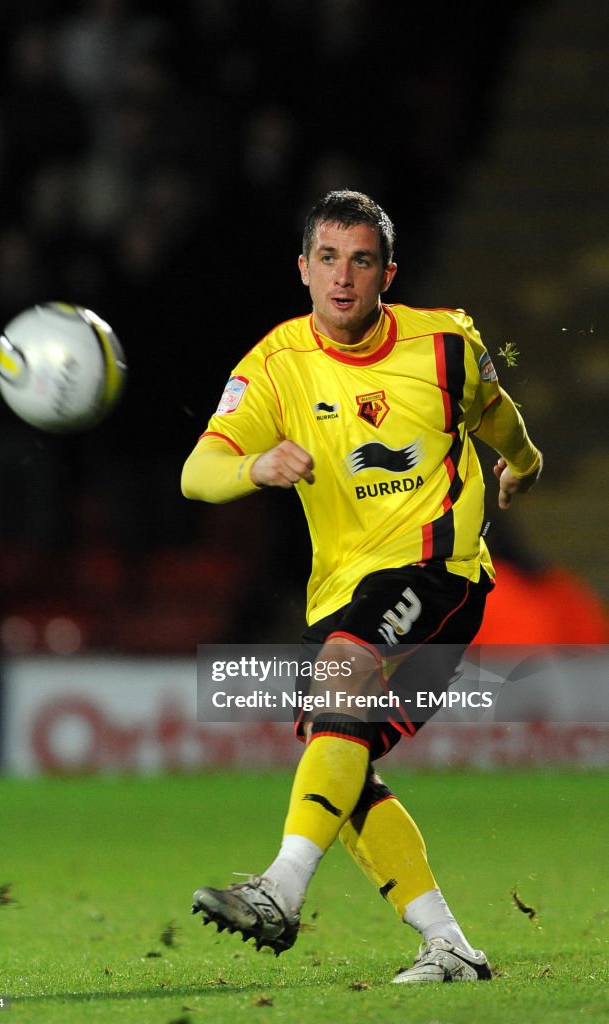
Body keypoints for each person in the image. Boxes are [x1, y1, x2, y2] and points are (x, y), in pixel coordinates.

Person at [181, 190, 542, 983]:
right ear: (303, 268)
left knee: (341, 679)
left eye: (362, 260)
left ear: (387, 274)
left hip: (437, 571)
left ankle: (278, 890)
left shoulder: (445, 343)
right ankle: (449, 946)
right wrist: (254, 466)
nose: (343, 277)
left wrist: (525, 459)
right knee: (339, 756)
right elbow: (195, 474)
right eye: (328, 258)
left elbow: (495, 412)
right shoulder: (273, 364)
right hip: (345, 590)